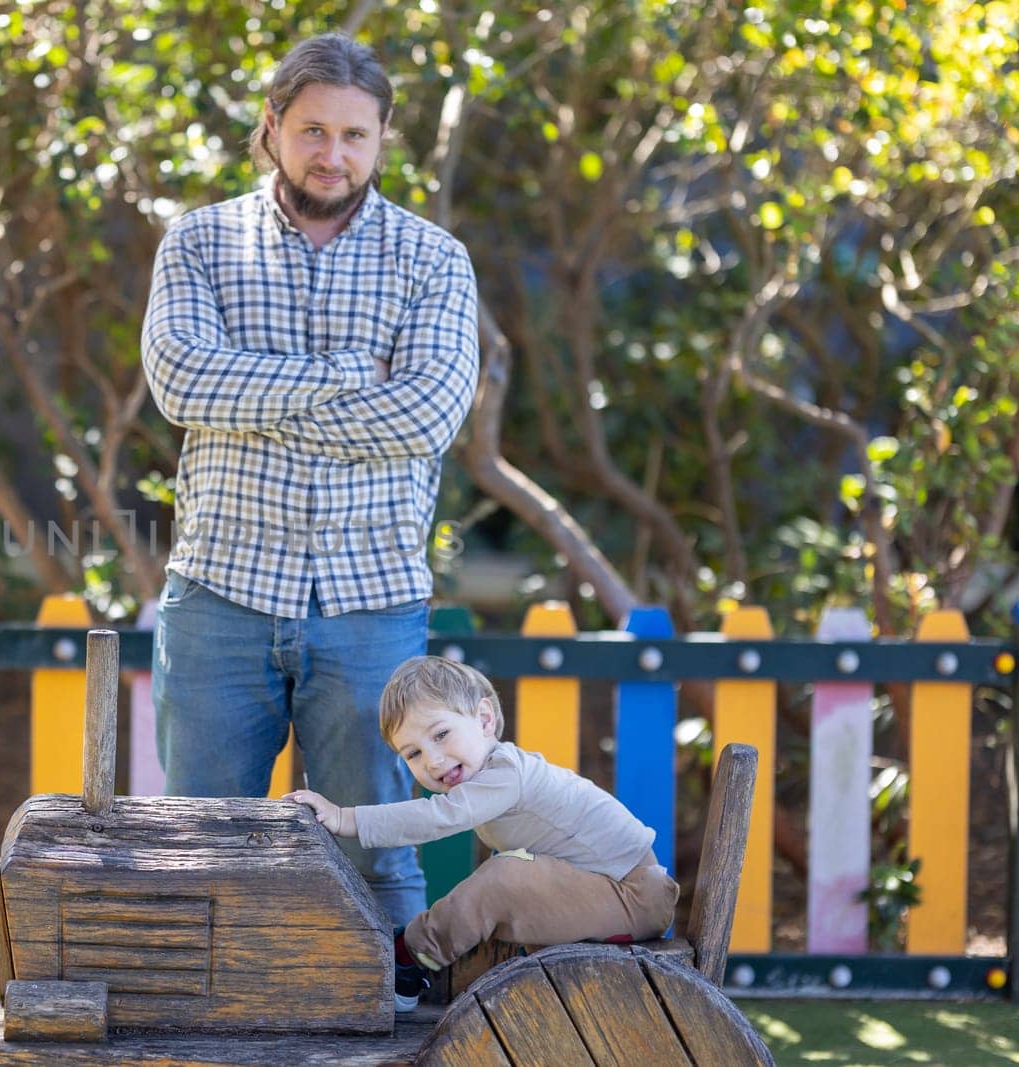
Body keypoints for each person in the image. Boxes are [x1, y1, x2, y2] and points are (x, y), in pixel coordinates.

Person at [139, 31, 480, 928]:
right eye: (314, 130)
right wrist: (344, 374)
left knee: (374, 853)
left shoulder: (433, 259)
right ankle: (198, 1042)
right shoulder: (200, 244)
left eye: (355, 135)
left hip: (371, 605)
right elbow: (181, 382)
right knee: (203, 848)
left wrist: (251, 391)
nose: (333, 153)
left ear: (380, 140)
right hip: (221, 596)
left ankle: (385, 1040)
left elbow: (427, 417)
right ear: (274, 127)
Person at [286, 655, 679, 1010]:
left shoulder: (505, 774)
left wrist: (345, 818)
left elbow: (436, 818)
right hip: (611, 888)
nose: (434, 760)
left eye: (440, 735)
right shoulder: (490, 776)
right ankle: (430, 954)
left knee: (504, 877)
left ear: (485, 720)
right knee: (505, 873)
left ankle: (411, 957)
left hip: (632, 896)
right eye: (413, 754)